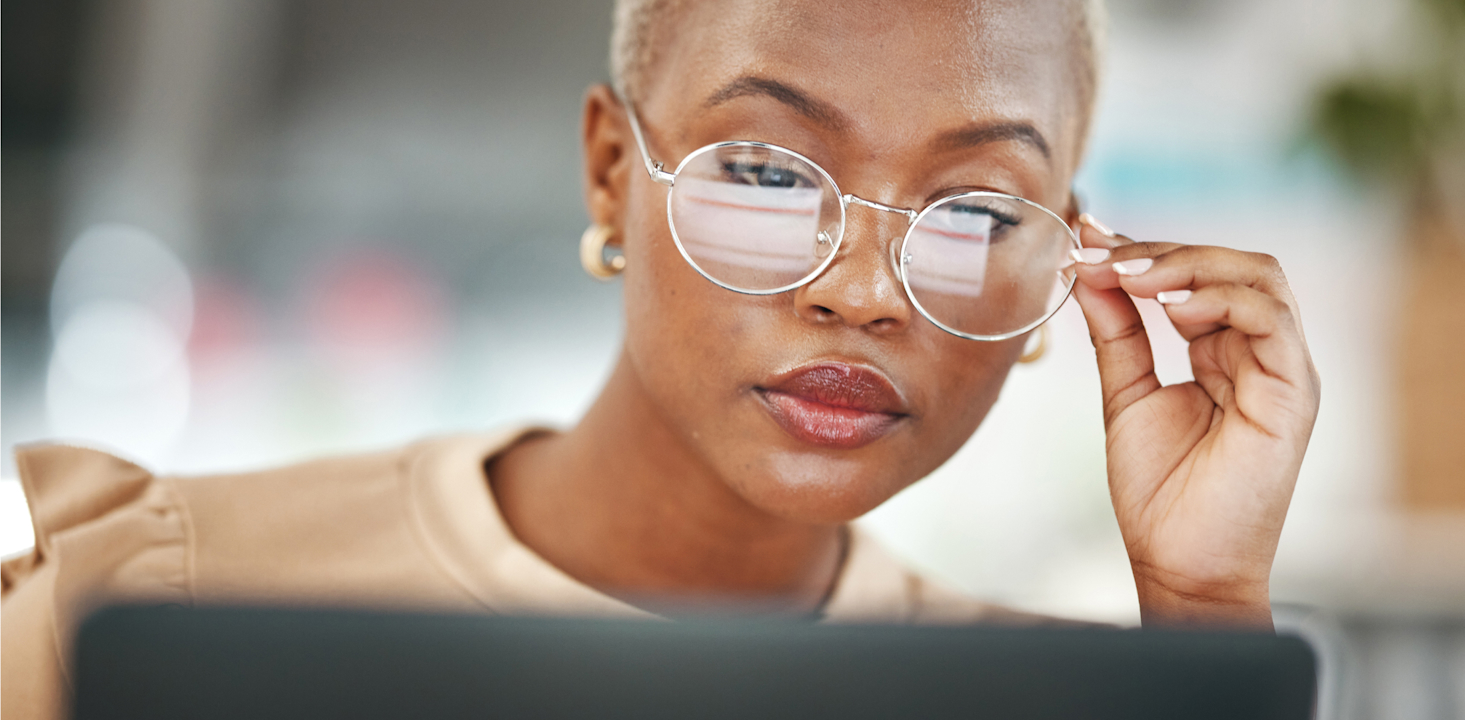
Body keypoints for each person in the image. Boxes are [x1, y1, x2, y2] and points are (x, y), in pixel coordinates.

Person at [1, 0, 1320, 717]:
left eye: (975, 210)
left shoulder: (1067, 705)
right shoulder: (155, 595)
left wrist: (1203, 614)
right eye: (762, 170)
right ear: (611, 170)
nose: (861, 290)